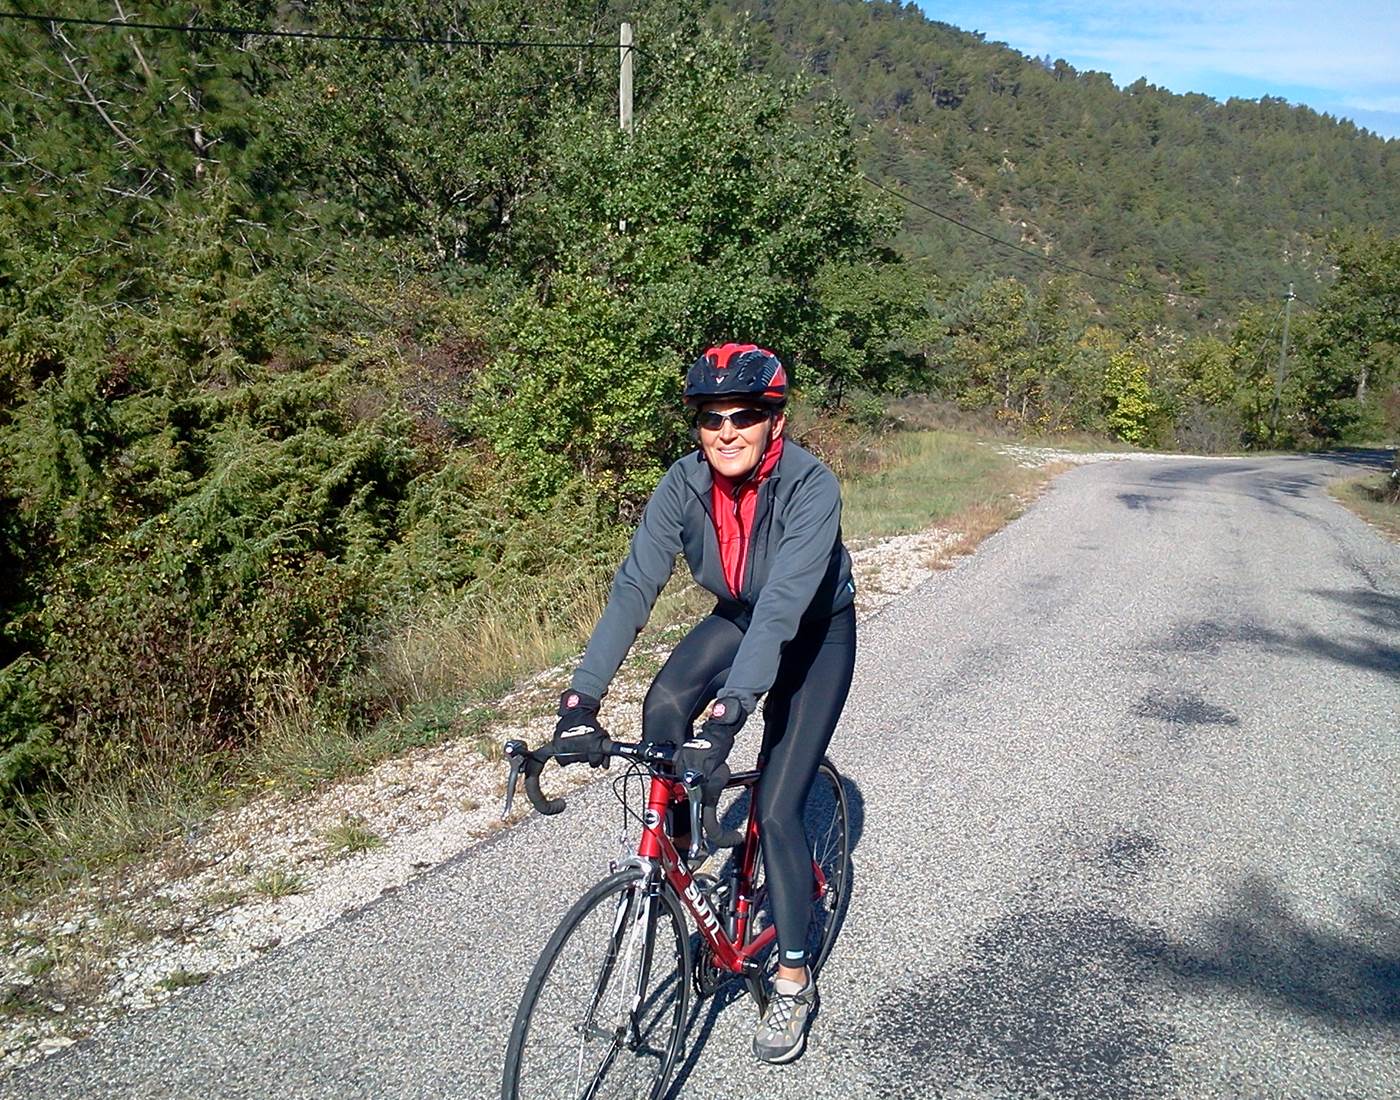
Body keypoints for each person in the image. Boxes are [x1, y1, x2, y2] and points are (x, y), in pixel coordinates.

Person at [551, 342, 857, 1065]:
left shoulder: (812, 487)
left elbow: (783, 607)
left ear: (773, 422)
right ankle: (677, 871)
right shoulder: (683, 484)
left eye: (745, 415)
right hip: (739, 615)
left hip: (813, 632)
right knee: (664, 705)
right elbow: (634, 588)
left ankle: (790, 979)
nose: (726, 431)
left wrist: (728, 715)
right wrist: (579, 698)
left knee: (778, 809)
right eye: (710, 417)